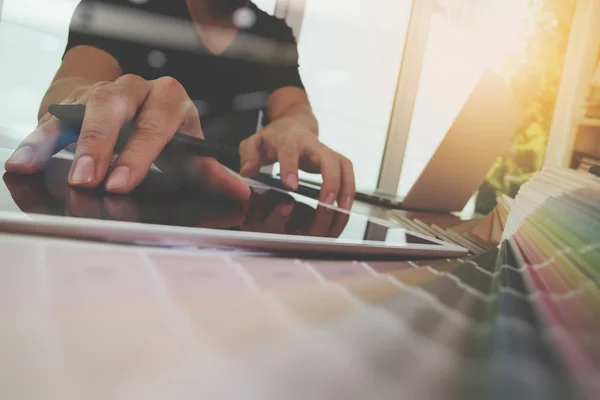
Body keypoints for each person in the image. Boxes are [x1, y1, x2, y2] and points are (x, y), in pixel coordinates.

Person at [4, 0, 355, 210]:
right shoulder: (123, 4)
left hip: (222, 216)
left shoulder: (274, 34)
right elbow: (68, 88)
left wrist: (294, 127)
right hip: (114, 205)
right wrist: (93, 100)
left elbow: (295, 109)